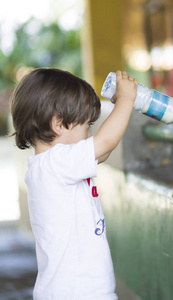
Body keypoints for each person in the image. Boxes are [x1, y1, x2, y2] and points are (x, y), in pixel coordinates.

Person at [10, 68, 138, 299]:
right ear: (59, 124)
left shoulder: (53, 165)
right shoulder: (56, 164)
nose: (90, 135)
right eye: (87, 126)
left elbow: (103, 151)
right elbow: (105, 142)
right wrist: (126, 100)